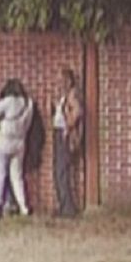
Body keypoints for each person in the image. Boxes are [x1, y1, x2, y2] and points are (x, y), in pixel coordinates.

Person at [0, 78, 34, 217]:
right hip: (20, 142)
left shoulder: (8, 101)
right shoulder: (28, 104)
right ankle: (23, 206)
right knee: (17, 176)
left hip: (4, 140)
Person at [52, 67, 85, 217]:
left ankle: (68, 207)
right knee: (59, 171)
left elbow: (77, 112)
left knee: (62, 171)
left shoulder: (72, 95)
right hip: (59, 132)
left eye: (61, 80)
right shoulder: (64, 96)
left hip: (64, 134)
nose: (59, 83)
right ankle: (63, 204)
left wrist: (68, 126)